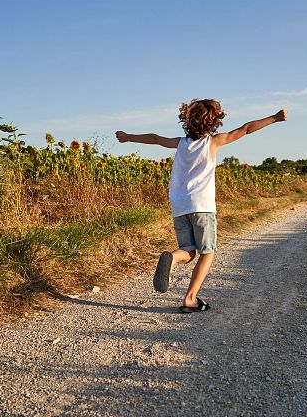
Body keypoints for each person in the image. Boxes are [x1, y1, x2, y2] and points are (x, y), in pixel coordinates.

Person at [116, 99, 287, 312]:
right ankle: (190, 298)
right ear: (214, 122)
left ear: (187, 119)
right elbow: (245, 129)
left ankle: (172, 257)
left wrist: (127, 137)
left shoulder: (180, 143)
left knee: (188, 251)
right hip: (202, 206)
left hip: (179, 206)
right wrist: (275, 118)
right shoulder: (213, 142)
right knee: (207, 252)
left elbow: (155, 139)